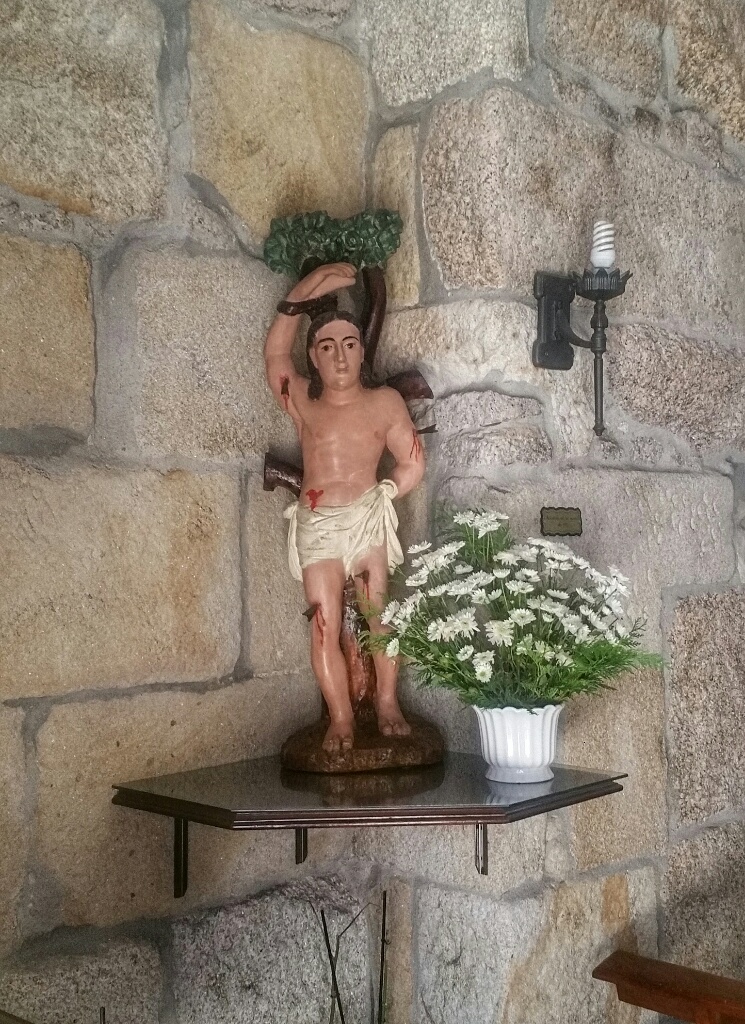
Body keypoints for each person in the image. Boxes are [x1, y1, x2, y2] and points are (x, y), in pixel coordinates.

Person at [264, 262, 425, 754]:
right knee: (324, 624)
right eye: (327, 347)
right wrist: (299, 294)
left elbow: (412, 462)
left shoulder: (385, 402)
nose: (340, 357)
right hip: (318, 526)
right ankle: (340, 719)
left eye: (350, 345)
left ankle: (388, 703)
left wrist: (389, 490)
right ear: (313, 356)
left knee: (380, 617)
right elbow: (275, 353)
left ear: (360, 351)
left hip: (365, 520)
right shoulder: (303, 400)